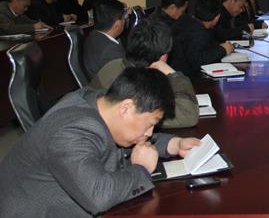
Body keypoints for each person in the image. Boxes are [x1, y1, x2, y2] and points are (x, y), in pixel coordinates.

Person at [0, 68, 201, 218]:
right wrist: (141, 169)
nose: (150, 132)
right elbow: (99, 196)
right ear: (126, 108)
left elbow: (125, 140)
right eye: (151, 124)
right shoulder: (72, 131)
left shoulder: (99, 102)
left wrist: (174, 144)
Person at [90, 19, 199, 129]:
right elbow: (188, 115)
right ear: (163, 57)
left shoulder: (115, 65)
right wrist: (174, 75)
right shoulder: (133, 84)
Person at [169, 0, 235, 77]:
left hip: (176, 74)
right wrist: (223, 50)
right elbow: (198, 61)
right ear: (217, 18)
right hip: (186, 78)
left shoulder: (187, 21)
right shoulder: (197, 32)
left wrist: (219, 47)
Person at [83, 0, 127, 80]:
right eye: (124, 17)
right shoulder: (110, 50)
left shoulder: (93, 36)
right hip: (110, 87)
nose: (125, 20)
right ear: (117, 24)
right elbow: (125, 83)